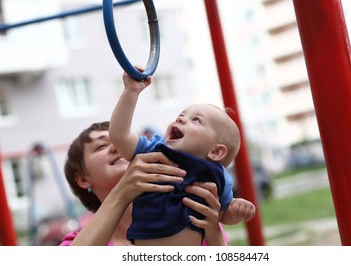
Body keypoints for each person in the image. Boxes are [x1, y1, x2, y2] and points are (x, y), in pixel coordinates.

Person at [109, 68, 256, 246]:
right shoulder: (154, 151)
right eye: (181, 115)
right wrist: (131, 92)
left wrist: (237, 210)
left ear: (216, 152)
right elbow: (119, 135)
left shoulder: (217, 176)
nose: (180, 119)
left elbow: (222, 214)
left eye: (196, 120)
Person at [60, 121, 229, 246]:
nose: (117, 147)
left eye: (122, 142)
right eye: (102, 146)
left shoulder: (193, 217)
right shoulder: (75, 244)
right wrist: (122, 192)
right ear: (82, 178)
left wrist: (214, 234)